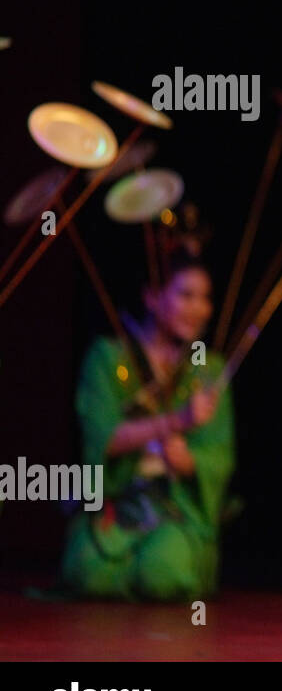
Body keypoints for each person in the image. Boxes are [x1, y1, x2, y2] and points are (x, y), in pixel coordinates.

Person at [61, 250, 235, 601]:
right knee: (88, 574)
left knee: (163, 573)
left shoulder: (209, 371)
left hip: (175, 508)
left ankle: (160, 558)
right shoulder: (108, 358)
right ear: (153, 298)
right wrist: (176, 421)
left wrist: (188, 463)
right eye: (186, 295)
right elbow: (102, 438)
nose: (199, 308)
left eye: (205, 298)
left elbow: (218, 454)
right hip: (117, 501)